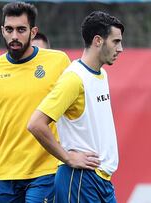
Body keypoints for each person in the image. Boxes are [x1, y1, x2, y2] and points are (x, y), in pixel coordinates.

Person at [0, 2, 70, 203]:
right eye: (9, 29)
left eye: (21, 29)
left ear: (33, 32)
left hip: (47, 171)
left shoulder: (58, 62)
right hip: (7, 175)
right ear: (2, 31)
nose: (14, 36)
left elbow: (75, 114)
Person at [27, 11, 124, 202]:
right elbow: (35, 123)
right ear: (98, 41)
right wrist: (68, 158)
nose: (120, 48)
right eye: (116, 41)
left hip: (102, 181)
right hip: (80, 179)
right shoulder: (73, 78)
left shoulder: (101, 75)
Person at [0, 31, 51, 203]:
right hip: (10, 175)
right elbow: (2, 134)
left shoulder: (60, 78)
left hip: (47, 172)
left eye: (38, 51)